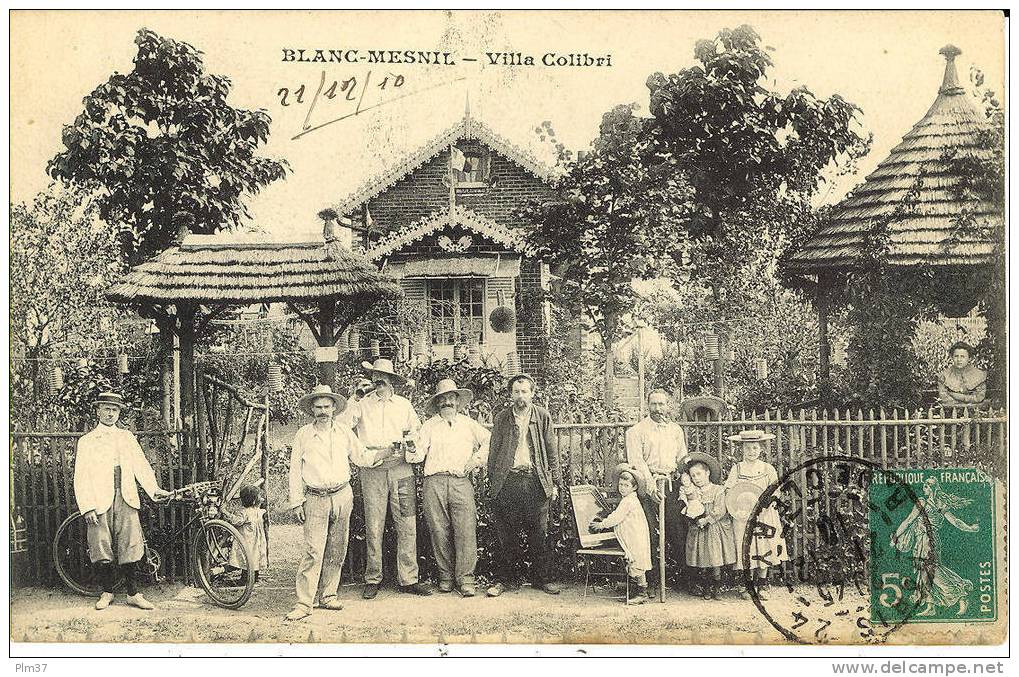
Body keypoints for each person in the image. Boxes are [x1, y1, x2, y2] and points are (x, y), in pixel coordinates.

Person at [72, 391, 171, 611]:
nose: (110, 413)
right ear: (98, 411)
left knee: (130, 544)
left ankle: (133, 594)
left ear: (119, 413)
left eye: (114, 410)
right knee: (101, 544)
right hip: (99, 499)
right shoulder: (87, 441)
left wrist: (154, 489)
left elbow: (141, 465)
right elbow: (81, 476)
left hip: (125, 495)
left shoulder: (126, 437)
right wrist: (87, 506)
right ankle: (107, 592)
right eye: (106, 408)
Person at [344, 358, 431, 599]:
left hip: (401, 469)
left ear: (392, 381)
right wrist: (356, 397)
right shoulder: (361, 404)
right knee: (374, 524)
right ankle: (373, 578)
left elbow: (417, 432)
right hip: (373, 469)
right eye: (375, 378)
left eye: (382, 379)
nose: (378, 383)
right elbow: (342, 425)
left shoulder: (403, 405)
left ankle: (409, 578)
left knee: (407, 522)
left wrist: (409, 444)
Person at [285, 385, 373, 621]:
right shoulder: (303, 434)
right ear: (312, 409)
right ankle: (304, 603)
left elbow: (361, 456)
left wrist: (387, 453)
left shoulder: (344, 432)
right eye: (318, 407)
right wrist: (296, 502)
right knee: (313, 551)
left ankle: (328, 595)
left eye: (327, 406)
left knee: (337, 549)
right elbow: (295, 470)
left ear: (334, 407)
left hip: (342, 495)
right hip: (314, 498)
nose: (323, 411)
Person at [407, 379, 490, 597]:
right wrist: (411, 446)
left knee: (465, 529)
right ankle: (445, 577)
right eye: (442, 399)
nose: (447, 403)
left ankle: (466, 579)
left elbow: (490, 441)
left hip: (460, 481)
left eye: (451, 398)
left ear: (457, 401)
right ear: (437, 403)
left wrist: (476, 460)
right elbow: (416, 456)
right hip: (434, 481)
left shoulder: (468, 424)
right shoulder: (429, 426)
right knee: (438, 530)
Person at [486, 373, 562, 597]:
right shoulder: (502, 418)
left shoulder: (542, 416)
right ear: (511, 394)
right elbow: (493, 452)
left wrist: (554, 483)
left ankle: (542, 579)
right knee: (506, 534)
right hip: (508, 481)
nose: (521, 396)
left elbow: (551, 452)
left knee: (539, 532)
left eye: (524, 391)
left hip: (535, 480)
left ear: (532, 393)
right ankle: (504, 580)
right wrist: (493, 482)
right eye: (516, 392)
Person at [625, 389, 691, 594]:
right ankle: (650, 582)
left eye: (661, 404)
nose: (657, 409)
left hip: (670, 485)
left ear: (668, 406)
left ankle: (685, 580)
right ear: (647, 405)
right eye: (653, 404)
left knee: (677, 532)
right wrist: (651, 487)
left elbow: (683, 459)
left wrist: (684, 478)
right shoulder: (636, 431)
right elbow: (637, 462)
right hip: (647, 486)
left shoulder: (675, 430)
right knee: (648, 534)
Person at [892, 477, 979, 617]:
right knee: (924, 573)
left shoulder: (926, 502)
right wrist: (969, 528)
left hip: (928, 542)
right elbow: (955, 521)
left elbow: (908, 521)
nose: (923, 489)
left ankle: (960, 594)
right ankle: (930, 606)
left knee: (932, 571)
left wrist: (896, 536)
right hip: (924, 540)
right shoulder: (938, 504)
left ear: (931, 488)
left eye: (925, 487)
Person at [724, 430, 787, 600]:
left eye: (755, 448)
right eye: (748, 448)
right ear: (742, 450)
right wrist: (737, 504)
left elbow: (776, 491)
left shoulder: (768, 469)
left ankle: (763, 583)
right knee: (747, 547)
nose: (752, 452)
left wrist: (767, 504)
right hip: (743, 515)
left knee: (764, 546)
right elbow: (729, 490)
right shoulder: (737, 469)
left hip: (764, 514)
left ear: (761, 449)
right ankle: (746, 584)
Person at [589, 463, 652, 604]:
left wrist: (601, 525)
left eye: (626, 485)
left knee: (637, 562)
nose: (622, 488)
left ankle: (642, 593)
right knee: (633, 561)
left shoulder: (629, 501)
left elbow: (616, 517)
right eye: (621, 484)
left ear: (634, 487)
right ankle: (635, 590)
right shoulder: (628, 499)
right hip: (632, 536)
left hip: (635, 537)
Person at [682, 452, 735, 600]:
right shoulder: (692, 492)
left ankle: (717, 586)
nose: (696, 479)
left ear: (707, 473)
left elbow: (720, 510)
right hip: (698, 529)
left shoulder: (718, 490)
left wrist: (706, 520)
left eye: (699, 474)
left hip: (713, 529)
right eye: (693, 476)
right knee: (701, 558)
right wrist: (692, 514)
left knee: (714, 557)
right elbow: (689, 508)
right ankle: (705, 586)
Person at [225, 485, 269, 586]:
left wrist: (226, 514)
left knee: (247, 559)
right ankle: (255, 577)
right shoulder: (258, 511)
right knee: (256, 557)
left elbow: (236, 521)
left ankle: (245, 579)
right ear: (254, 501)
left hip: (247, 541)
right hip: (257, 540)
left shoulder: (244, 512)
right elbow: (262, 510)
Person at [937, 342, 987, 409]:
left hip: (975, 410)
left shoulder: (979, 375)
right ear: (952, 357)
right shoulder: (944, 376)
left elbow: (979, 397)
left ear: (969, 358)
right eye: (956, 356)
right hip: (950, 411)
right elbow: (944, 398)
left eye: (963, 356)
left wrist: (957, 396)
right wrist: (967, 400)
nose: (959, 360)